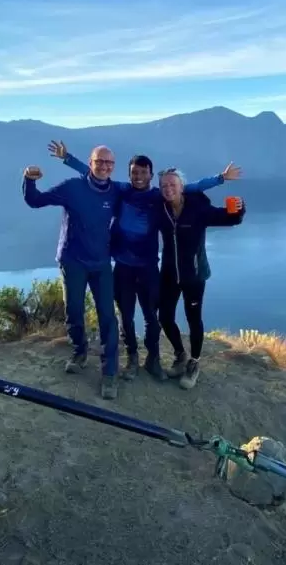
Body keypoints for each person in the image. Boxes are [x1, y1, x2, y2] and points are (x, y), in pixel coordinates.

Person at [48, 140, 241, 382]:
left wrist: (220, 179)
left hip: (148, 267)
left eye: (143, 172)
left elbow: (188, 187)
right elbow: (93, 173)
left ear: (150, 174)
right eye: (134, 173)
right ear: (129, 174)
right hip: (123, 267)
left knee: (152, 316)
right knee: (126, 316)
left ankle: (153, 359)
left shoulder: (158, 197)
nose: (139, 176)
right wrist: (68, 158)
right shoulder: (120, 191)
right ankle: (131, 358)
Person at [21, 146, 122, 400]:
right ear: (91, 163)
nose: (105, 166)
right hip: (73, 261)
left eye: (109, 163)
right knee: (74, 311)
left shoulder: (116, 191)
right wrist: (29, 181)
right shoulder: (71, 188)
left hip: (101, 264)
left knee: (108, 317)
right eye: (100, 162)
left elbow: (145, 195)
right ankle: (79, 352)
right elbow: (35, 201)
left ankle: (110, 373)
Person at [156, 168, 245, 390]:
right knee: (165, 317)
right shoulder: (160, 209)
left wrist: (239, 210)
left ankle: (194, 363)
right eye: (164, 186)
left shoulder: (197, 209)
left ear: (181, 187)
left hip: (194, 276)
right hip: (168, 274)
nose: (168, 189)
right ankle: (180, 355)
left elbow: (228, 218)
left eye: (172, 185)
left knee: (193, 319)